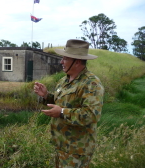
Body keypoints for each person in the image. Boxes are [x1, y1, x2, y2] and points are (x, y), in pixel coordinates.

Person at [34, 39, 104, 168]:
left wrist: (61, 112)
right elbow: (62, 102)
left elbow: (92, 115)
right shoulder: (64, 80)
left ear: (76, 61)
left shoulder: (91, 83)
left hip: (77, 150)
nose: (61, 62)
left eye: (65, 59)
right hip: (61, 144)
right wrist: (46, 95)